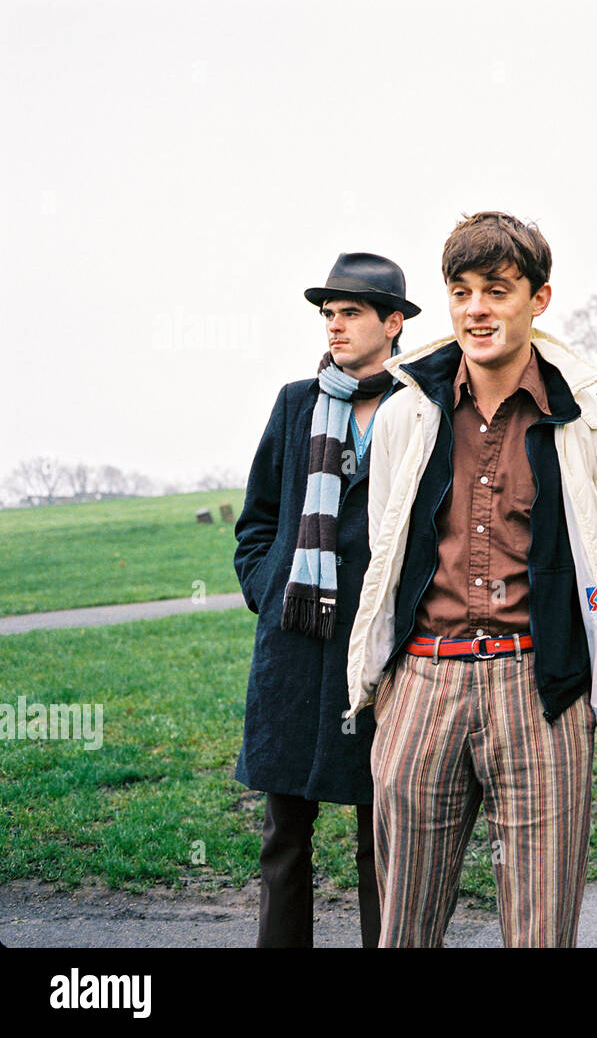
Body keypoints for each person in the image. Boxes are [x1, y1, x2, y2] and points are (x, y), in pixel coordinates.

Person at [344, 211, 597, 947]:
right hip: (422, 683)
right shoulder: (407, 414)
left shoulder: (591, 422)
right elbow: (386, 548)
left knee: (540, 930)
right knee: (403, 928)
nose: (477, 308)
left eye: (497, 289)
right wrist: (389, 688)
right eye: (462, 290)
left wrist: (570, 662)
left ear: (538, 300)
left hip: (539, 690)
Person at [234, 252, 421, 948]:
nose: (334, 326)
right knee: (284, 836)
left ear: (393, 323)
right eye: (328, 314)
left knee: (382, 835)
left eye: (351, 313)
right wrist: (270, 583)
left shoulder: (421, 408)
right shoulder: (296, 402)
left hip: (378, 653)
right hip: (292, 648)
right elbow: (255, 520)